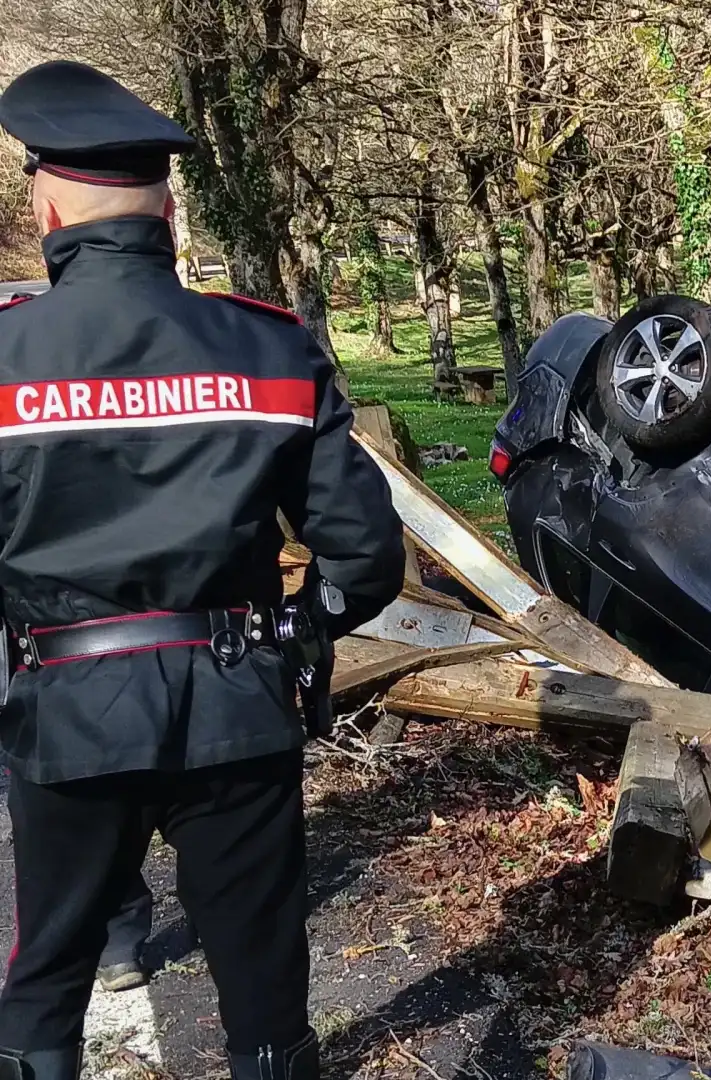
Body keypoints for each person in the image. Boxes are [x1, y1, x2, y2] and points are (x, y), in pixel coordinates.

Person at [0, 60, 407, 1080]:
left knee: (46, 972)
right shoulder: (267, 349)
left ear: (46, 203)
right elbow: (365, 553)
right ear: (170, 208)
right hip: (234, 702)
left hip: (65, 710)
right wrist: (304, 638)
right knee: (263, 982)